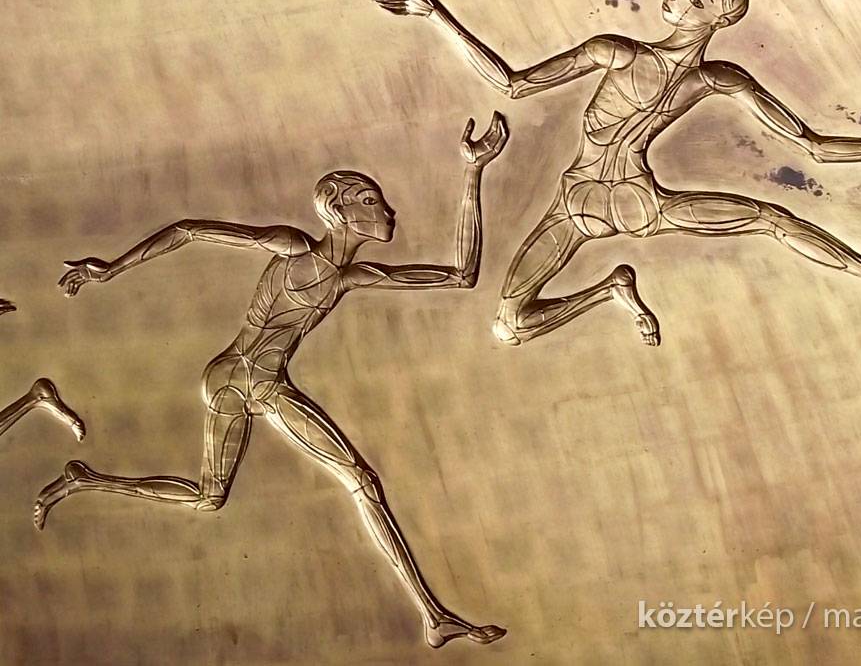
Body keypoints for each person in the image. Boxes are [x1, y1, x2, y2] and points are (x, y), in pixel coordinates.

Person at [35, 113, 510, 649]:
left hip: (259, 385)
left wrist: (474, 170)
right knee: (343, 481)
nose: (387, 210)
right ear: (340, 210)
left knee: (224, 497)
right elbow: (190, 229)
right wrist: (109, 268)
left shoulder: (353, 277)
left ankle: (87, 480)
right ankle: (432, 616)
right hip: (237, 380)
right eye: (370, 200)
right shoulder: (293, 247)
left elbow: (461, 275)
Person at [372, 0, 861, 347]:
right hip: (581, 205)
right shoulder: (615, 50)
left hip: (635, 202)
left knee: (773, 218)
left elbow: (814, 146)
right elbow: (513, 84)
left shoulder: (719, 78)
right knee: (509, 325)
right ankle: (611, 288)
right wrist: (437, 15)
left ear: (723, 16)